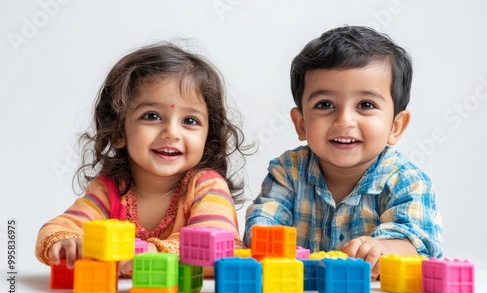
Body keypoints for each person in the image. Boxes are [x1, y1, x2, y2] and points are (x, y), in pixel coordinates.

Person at [244, 25, 443, 279]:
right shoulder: (288, 172)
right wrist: (271, 246)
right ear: (301, 123)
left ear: (395, 126)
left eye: (366, 105)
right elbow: (263, 222)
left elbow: (419, 244)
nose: (344, 120)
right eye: (325, 104)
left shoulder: (407, 182)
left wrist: (384, 248)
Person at [36, 42, 251, 276]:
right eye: (152, 116)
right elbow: (60, 227)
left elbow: (220, 247)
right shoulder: (110, 191)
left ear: (208, 136)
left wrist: (156, 253)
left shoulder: (207, 186)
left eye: (190, 121)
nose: (172, 132)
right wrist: (68, 242)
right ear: (118, 131)